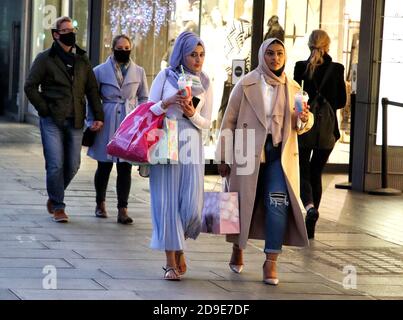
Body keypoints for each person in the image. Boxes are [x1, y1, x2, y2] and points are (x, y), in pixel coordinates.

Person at [217, 38, 313, 285]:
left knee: (277, 203)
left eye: (280, 53)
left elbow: (302, 123)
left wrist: (304, 118)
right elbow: (228, 121)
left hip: (278, 155)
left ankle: (271, 260)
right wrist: (223, 156)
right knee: (240, 204)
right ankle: (237, 248)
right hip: (248, 151)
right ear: (263, 55)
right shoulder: (246, 83)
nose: (275, 58)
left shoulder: (293, 88)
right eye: (270, 53)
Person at [24, 16, 104, 223]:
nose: (71, 34)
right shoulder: (45, 59)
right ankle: (58, 206)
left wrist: (98, 116)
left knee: (74, 164)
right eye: (66, 31)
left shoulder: (82, 60)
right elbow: (30, 86)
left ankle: (54, 195)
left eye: (73, 30)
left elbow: (92, 90)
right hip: (53, 120)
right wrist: (44, 109)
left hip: (76, 120)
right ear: (56, 34)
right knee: (55, 164)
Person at [148, 31, 213, 281]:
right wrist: (168, 102)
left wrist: (191, 113)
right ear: (181, 55)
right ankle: (170, 262)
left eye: (201, 54)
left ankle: (179, 245)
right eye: (193, 55)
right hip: (165, 138)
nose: (198, 60)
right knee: (166, 200)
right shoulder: (165, 76)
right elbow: (148, 109)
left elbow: (207, 121)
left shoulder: (206, 81)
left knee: (192, 205)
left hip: (191, 140)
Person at [86, 34, 149, 224]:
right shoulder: (99, 71)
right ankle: (100, 204)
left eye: (126, 47)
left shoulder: (139, 71)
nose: (123, 51)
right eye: (119, 48)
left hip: (128, 122)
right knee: (104, 165)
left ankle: (123, 209)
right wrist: (92, 120)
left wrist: (140, 121)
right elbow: (92, 98)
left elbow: (144, 97)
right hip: (106, 118)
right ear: (112, 49)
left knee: (125, 167)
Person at [294, 30, 347, 239]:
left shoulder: (300, 67)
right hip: (327, 131)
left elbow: (295, 96)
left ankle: (309, 208)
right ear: (328, 45)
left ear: (309, 45)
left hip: (304, 127)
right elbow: (341, 102)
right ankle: (311, 225)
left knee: (303, 171)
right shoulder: (336, 69)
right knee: (317, 173)